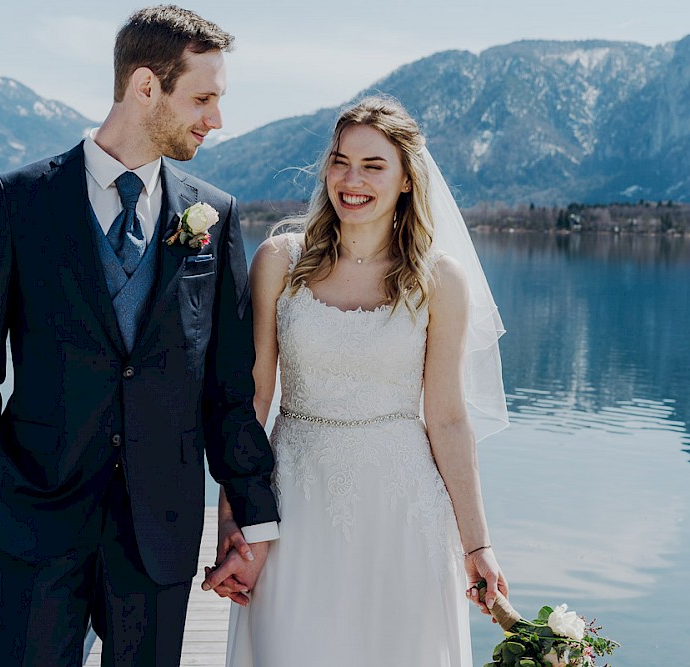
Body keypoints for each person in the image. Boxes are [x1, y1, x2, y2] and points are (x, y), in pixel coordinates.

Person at [0, 6, 277, 665]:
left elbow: (228, 392)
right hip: (34, 522)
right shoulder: (19, 201)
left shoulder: (217, 215)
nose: (216, 120)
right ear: (145, 86)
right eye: (203, 98)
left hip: (160, 533)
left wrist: (251, 520)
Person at [204, 96, 510, 666]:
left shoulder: (439, 280)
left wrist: (478, 544)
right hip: (294, 497)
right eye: (341, 161)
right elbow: (250, 401)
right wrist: (233, 522)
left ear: (406, 181)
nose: (352, 180)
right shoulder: (280, 260)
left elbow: (446, 418)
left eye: (373, 166)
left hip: (401, 507)